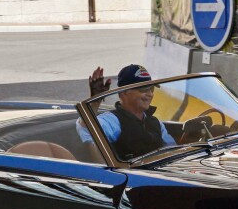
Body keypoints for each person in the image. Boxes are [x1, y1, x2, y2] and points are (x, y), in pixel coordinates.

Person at [78, 65, 209, 161]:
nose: (150, 94)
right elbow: (87, 130)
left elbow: (173, 151)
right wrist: (95, 103)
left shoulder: (155, 122)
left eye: (151, 88)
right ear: (124, 92)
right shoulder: (113, 121)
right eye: (143, 89)